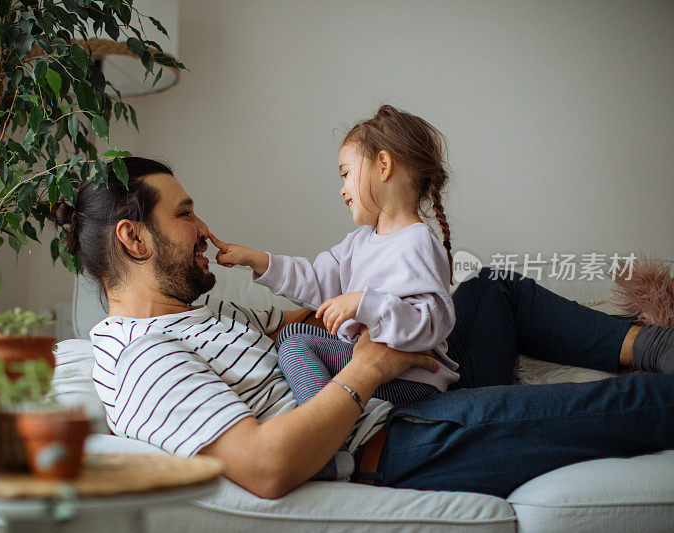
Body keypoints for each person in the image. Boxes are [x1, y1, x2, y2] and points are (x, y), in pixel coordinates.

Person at [54, 155, 674, 500]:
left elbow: (303, 316)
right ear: (133, 238)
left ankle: (654, 343)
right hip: (393, 441)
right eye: (184, 213)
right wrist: (370, 367)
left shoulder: (195, 318)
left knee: (491, 292)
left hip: (396, 395)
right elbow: (266, 465)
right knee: (621, 405)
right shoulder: (143, 358)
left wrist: (370, 298)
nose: (201, 228)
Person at [208, 106, 461, 479]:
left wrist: (364, 303)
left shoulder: (417, 241)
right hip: (374, 371)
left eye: (346, 174)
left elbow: (431, 322)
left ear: (384, 165)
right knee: (297, 338)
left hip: (413, 381)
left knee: (296, 338)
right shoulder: (359, 242)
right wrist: (257, 260)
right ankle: (335, 433)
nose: (342, 189)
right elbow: (314, 280)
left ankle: (324, 450)